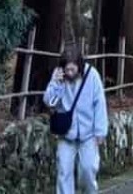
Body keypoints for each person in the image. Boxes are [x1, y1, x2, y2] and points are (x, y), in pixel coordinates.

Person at [44, 44, 108, 194]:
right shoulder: (59, 76)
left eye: (73, 69)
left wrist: (100, 131)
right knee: (63, 172)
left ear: (80, 65)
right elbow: (48, 102)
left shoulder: (92, 76)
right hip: (66, 134)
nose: (70, 73)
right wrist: (55, 83)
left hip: (88, 134)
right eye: (67, 69)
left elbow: (99, 103)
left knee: (88, 170)